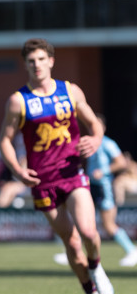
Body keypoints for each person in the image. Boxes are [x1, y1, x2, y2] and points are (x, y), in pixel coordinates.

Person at [0, 38, 114, 294]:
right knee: (72, 243)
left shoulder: (70, 91)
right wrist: (17, 170)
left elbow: (93, 122)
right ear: (26, 65)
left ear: (51, 61)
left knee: (88, 232)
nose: (36, 65)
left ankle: (96, 266)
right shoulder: (18, 101)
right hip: (42, 182)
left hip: (72, 174)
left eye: (41, 59)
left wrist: (96, 139)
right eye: (31, 61)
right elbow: (5, 140)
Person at [54, 114, 137, 267]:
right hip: (90, 185)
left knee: (108, 225)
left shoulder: (107, 144)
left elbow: (121, 163)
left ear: (102, 127)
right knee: (81, 220)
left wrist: (104, 171)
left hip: (104, 187)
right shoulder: (89, 143)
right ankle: (74, 251)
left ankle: (132, 250)